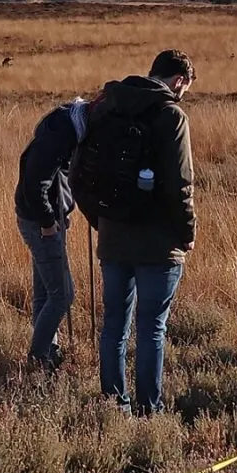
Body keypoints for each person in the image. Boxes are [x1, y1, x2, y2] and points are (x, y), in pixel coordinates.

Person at [88, 50, 196, 414]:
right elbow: (180, 185)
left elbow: (80, 172)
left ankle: (113, 403)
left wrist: (100, 220)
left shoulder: (108, 106)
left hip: (113, 236)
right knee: (152, 328)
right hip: (158, 242)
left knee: (114, 324)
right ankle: (150, 409)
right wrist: (187, 233)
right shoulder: (172, 115)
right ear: (179, 80)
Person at [13, 90, 97, 369]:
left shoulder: (68, 126)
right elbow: (35, 183)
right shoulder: (61, 135)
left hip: (43, 219)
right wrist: (48, 222)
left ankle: (49, 353)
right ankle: (37, 359)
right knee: (63, 294)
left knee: (46, 293)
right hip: (42, 224)